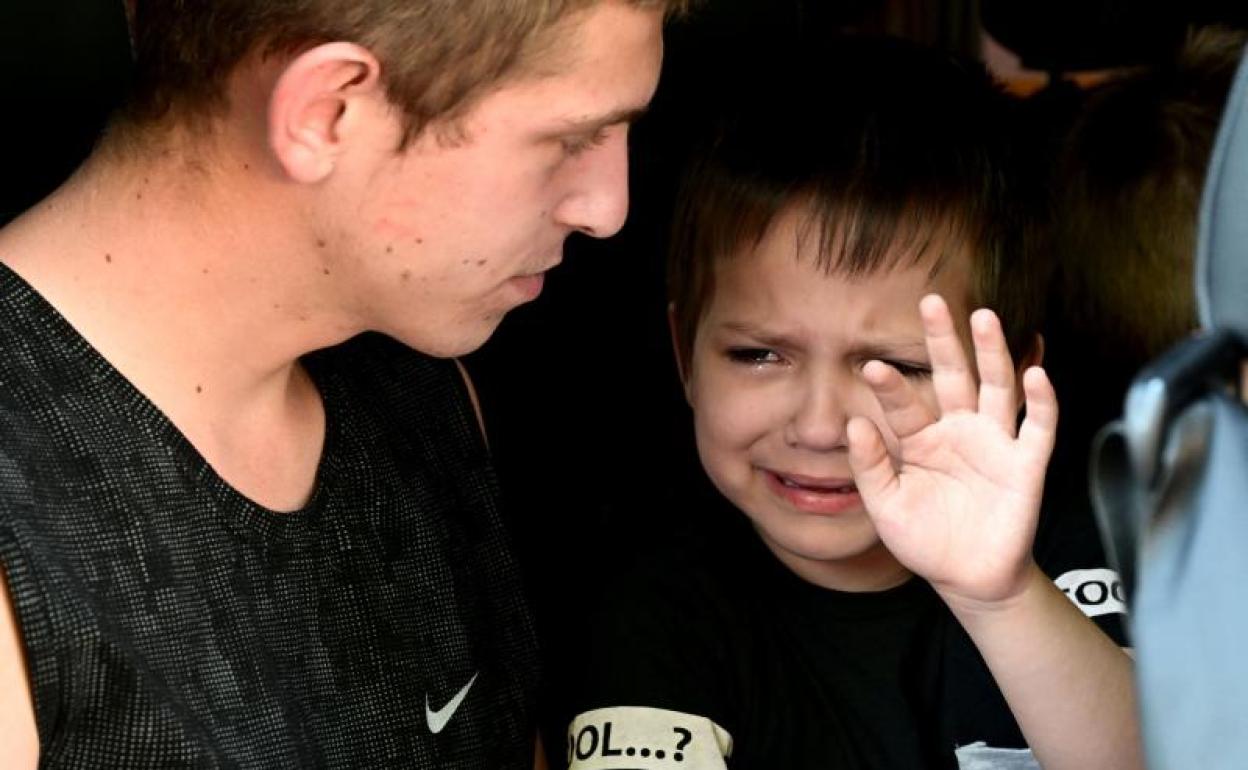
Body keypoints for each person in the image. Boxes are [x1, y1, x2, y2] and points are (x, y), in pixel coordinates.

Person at [0, 0, 690, 766]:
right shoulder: (19, 544)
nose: (607, 209)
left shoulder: (420, 396)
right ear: (325, 113)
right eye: (569, 140)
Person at [557, 37, 1141, 769]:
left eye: (896, 368)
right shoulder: (660, 614)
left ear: (1014, 377)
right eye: (759, 355)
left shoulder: (1081, 543)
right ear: (685, 356)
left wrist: (1002, 598)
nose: (820, 427)